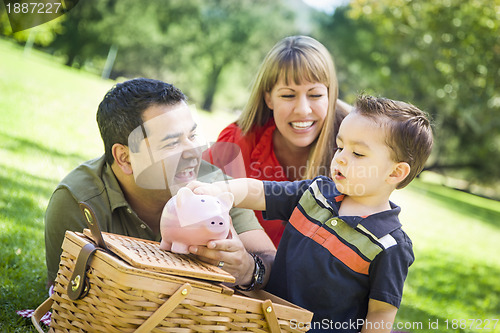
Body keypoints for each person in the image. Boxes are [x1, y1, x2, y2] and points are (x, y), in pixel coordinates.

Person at [189, 94, 433, 332]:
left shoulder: (389, 245)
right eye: (339, 146)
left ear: (395, 173)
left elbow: (380, 314)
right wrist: (218, 189)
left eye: (357, 153)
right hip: (262, 318)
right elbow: (259, 190)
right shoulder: (315, 192)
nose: (341, 159)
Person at [44, 78, 276, 290]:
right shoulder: (79, 199)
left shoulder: (214, 187)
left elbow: (270, 260)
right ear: (125, 158)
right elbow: (65, 293)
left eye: (192, 136)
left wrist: (248, 269)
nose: (194, 152)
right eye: (172, 143)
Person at [203, 35, 349, 248]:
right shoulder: (236, 143)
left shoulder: (354, 149)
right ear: (269, 98)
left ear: (330, 95)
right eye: (288, 96)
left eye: (315, 95)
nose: (302, 109)